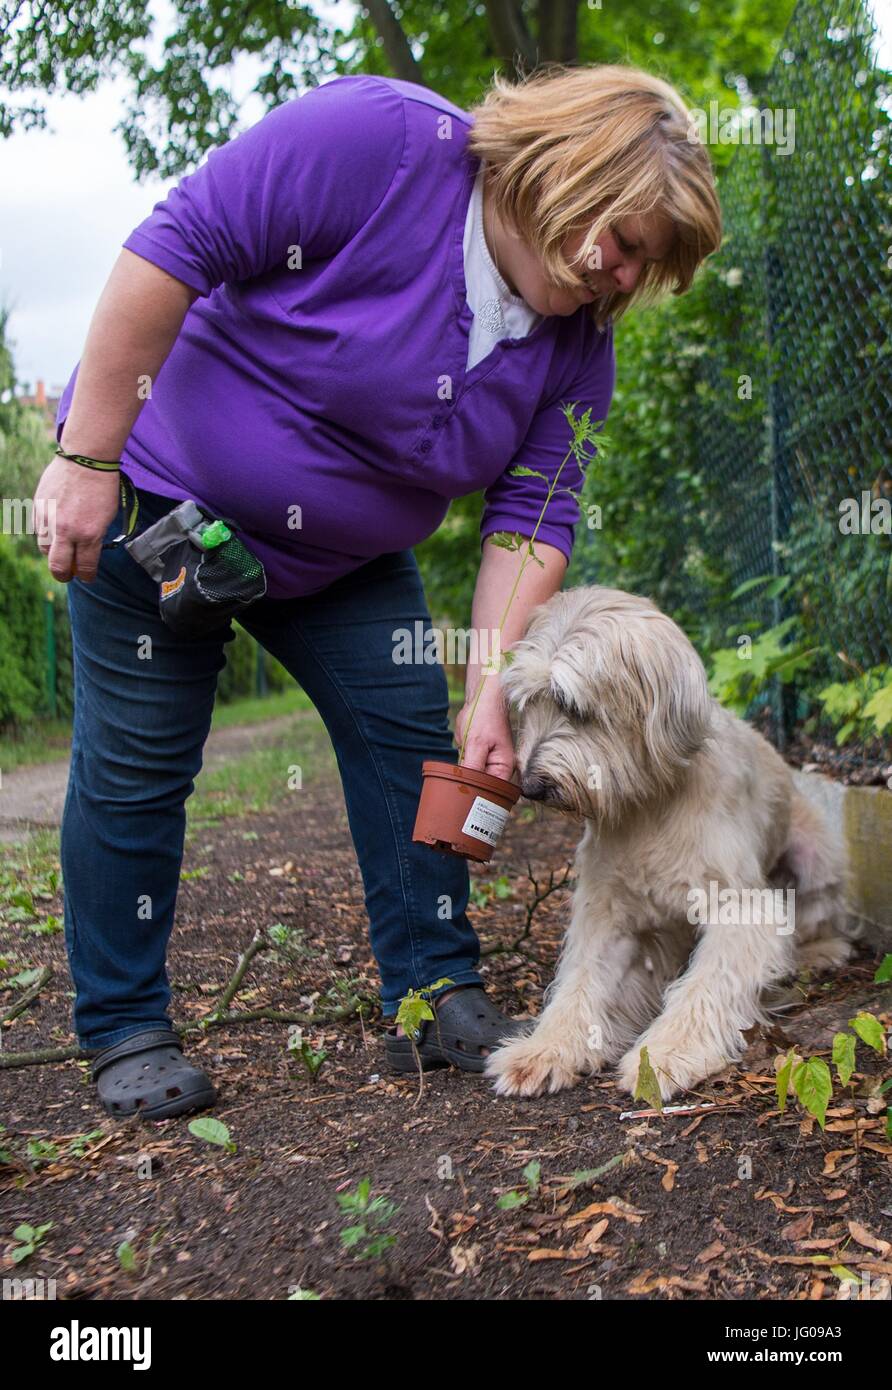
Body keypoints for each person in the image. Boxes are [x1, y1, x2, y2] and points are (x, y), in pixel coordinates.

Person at [33, 63, 721, 1120]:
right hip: (166, 503)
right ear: (567, 169)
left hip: (343, 559)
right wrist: (86, 459)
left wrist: (492, 688)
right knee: (136, 765)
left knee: (416, 744)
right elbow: (171, 249)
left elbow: (530, 518)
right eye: (623, 246)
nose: (621, 282)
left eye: (644, 270)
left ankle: (434, 986)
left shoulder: (577, 343)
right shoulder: (376, 144)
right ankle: (124, 1021)